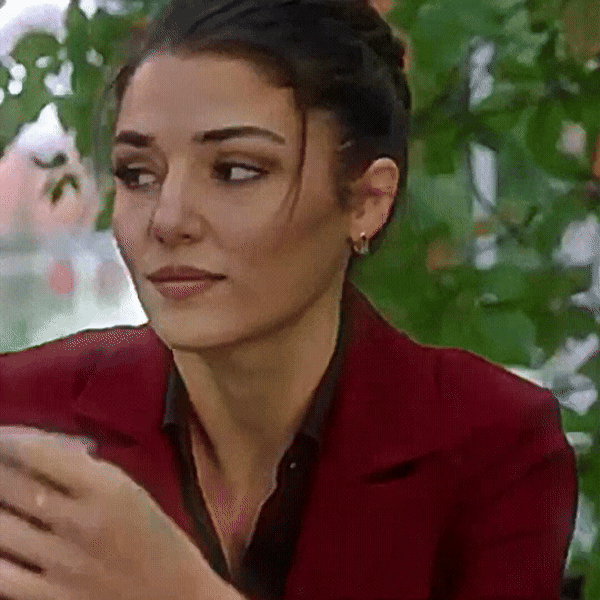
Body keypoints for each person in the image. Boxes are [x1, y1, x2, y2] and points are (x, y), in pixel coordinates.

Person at [0, 0, 578, 599]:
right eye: (137, 173)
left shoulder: (495, 443)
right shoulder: (19, 410)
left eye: (236, 170)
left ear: (367, 201)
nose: (168, 220)